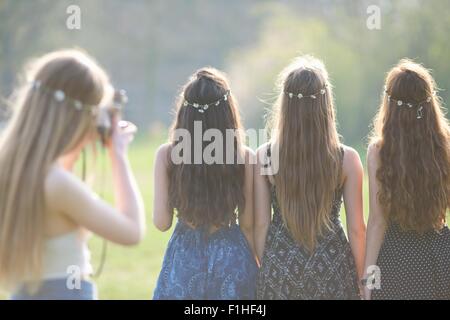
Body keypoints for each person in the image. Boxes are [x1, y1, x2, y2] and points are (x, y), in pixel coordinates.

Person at [0, 49, 146, 300]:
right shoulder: (56, 185)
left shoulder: (16, 171)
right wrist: (118, 154)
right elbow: (131, 231)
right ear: (78, 117)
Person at [255, 55, 366, 299]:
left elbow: (261, 224)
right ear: (326, 103)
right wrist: (362, 280)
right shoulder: (347, 159)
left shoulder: (264, 156)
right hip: (333, 268)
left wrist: (269, 270)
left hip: (280, 266)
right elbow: (357, 229)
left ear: (285, 105)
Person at [152, 68, 257, 299]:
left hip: (184, 261)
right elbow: (249, 223)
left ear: (184, 114)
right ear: (228, 114)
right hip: (231, 260)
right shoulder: (245, 157)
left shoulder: (167, 155)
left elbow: (161, 223)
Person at [364, 59, 450, 300]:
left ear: (389, 104)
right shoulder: (446, 146)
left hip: (395, 263)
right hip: (440, 258)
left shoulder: (379, 151)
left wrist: (367, 280)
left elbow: (378, 222)